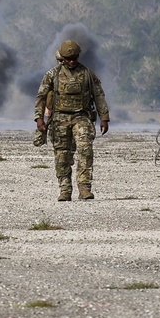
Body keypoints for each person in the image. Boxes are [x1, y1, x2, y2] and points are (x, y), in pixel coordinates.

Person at [34, 40, 110, 201]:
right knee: (62, 155)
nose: (71, 61)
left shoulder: (88, 74)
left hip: (81, 117)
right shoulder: (52, 74)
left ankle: (84, 188)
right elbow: (41, 97)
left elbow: (99, 96)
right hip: (59, 119)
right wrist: (39, 118)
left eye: (74, 58)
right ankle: (65, 189)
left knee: (85, 149)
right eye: (68, 59)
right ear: (62, 57)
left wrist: (104, 117)